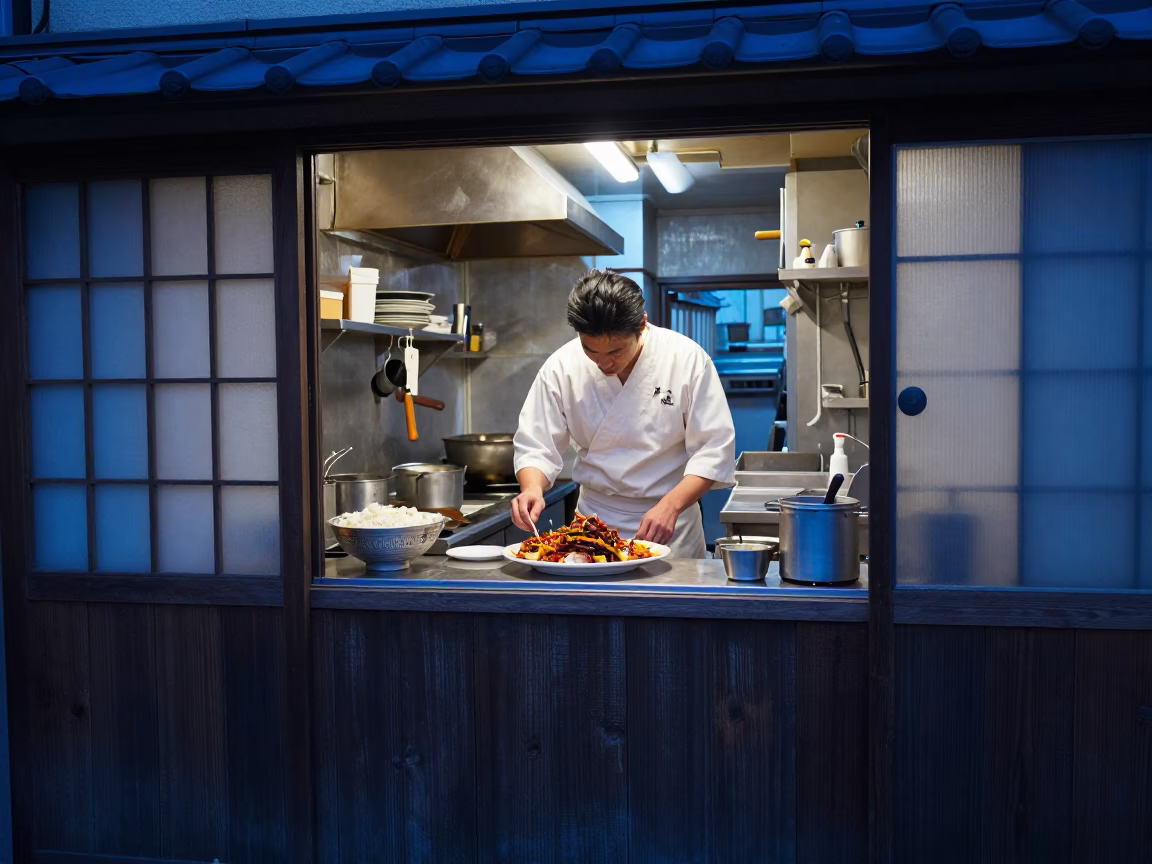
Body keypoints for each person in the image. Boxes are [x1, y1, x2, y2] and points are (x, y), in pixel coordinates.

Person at [510, 269, 736, 558]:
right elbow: (536, 444)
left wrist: (671, 506)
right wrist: (531, 489)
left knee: (672, 602)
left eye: (616, 350)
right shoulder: (562, 366)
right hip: (593, 523)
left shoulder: (686, 359)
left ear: (642, 325)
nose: (604, 362)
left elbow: (714, 449)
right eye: (590, 350)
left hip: (670, 521)